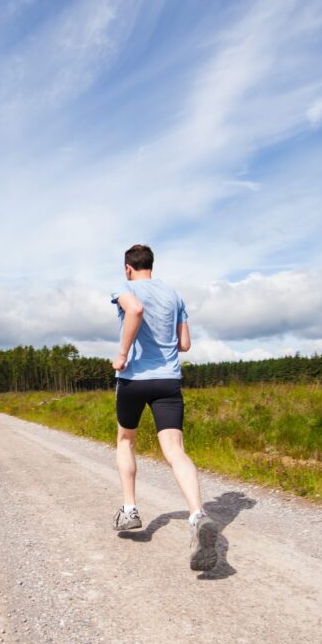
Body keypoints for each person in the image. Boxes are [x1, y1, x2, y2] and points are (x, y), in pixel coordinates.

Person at [110, 244, 218, 571]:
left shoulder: (124, 288)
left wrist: (123, 354)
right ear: (151, 266)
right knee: (175, 450)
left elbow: (135, 310)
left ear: (128, 268)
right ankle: (198, 514)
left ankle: (130, 510)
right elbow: (184, 344)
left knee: (126, 440)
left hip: (133, 380)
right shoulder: (174, 295)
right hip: (169, 380)